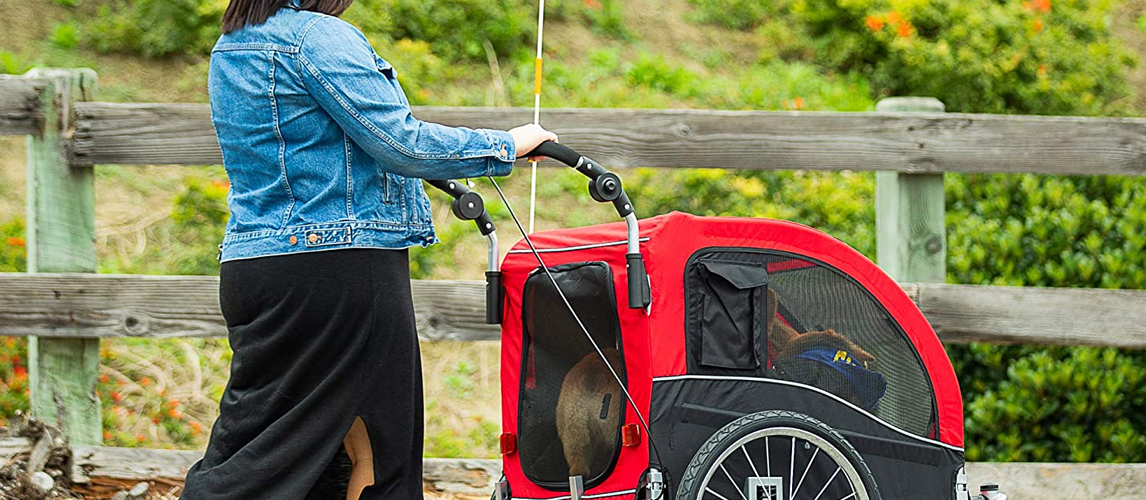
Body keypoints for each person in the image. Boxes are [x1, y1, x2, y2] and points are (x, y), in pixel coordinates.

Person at [179, 1, 558, 499]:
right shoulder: (318, 36)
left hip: (258, 266)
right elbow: (401, 143)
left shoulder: (232, 44)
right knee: (371, 454)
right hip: (339, 268)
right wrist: (507, 143)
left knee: (274, 449)